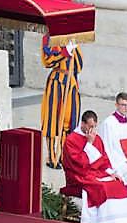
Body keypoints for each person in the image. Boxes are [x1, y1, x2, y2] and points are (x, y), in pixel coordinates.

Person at [63, 111, 127, 223]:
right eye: (90, 126)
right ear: (82, 124)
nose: (93, 129)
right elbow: (79, 163)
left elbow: (104, 158)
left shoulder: (97, 138)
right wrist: (89, 144)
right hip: (79, 175)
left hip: (97, 173)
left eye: (95, 126)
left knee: (118, 183)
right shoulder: (71, 140)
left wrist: (111, 172)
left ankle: (125, 221)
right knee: (102, 187)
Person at [41, 33, 83, 169]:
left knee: (68, 121)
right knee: (52, 120)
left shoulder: (71, 38)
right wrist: (64, 52)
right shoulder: (49, 38)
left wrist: (74, 49)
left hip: (70, 82)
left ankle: (64, 155)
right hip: (57, 83)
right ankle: (51, 156)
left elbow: (79, 66)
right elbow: (47, 61)